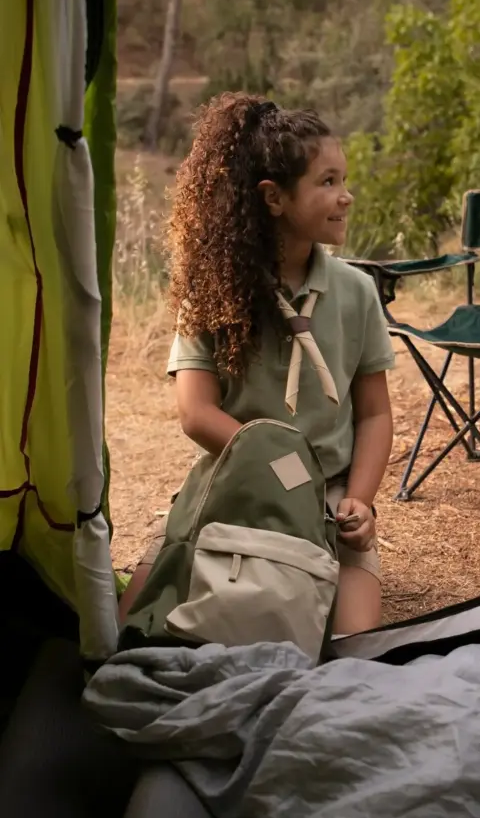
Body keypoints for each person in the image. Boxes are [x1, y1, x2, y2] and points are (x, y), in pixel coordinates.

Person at [120, 92, 394, 636]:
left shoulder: (357, 292)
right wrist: (279, 469)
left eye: (343, 180)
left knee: (353, 646)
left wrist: (359, 502)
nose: (346, 195)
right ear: (273, 198)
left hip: (327, 496)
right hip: (234, 479)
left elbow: (374, 414)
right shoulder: (212, 292)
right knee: (130, 630)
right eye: (328, 182)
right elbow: (196, 413)